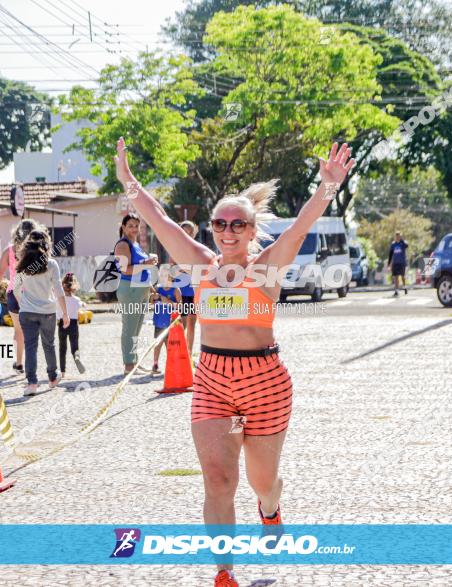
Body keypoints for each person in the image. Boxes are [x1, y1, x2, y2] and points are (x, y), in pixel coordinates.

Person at [114, 137, 355, 587]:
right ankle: (224, 571)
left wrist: (326, 188)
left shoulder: (267, 266)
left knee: (262, 481)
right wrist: (128, 182)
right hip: (212, 381)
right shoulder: (200, 265)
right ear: (210, 228)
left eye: (237, 224)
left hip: (265, 381)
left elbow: (300, 228)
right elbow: (159, 218)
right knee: (219, 479)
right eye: (219, 223)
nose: (227, 231)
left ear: (250, 229)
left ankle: (270, 509)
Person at [13, 230, 69, 396]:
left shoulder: (22, 265)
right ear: (47, 244)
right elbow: (59, 290)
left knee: (30, 347)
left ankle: (32, 384)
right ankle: (53, 377)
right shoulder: (51, 264)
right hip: (48, 312)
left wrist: (22, 302)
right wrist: (65, 313)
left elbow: (15, 288)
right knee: (49, 344)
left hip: (27, 312)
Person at [0, 219, 42, 375]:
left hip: (14, 293)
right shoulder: (38, 251)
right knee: (33, 331)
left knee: (18, 331)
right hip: (33, 294)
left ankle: (19, 363)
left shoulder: (10, 251)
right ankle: (31, 364)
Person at [114, 214, 158, 374]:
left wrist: (151, 289)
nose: (134, 229)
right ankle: (128, 365)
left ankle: (133, 362)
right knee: (129, 328)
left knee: (137, 329)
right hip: (129, 289)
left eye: (136, 226)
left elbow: (142, 268)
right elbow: (125, 269)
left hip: (141, 289)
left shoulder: (136, 243)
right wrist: (145, 263)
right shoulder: (122, 245)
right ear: (124, 227)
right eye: (130, 225)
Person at [150, 267, 182, 375]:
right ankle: (155, 364)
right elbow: (152, 303)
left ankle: (172, 365)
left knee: (170, 345)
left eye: (166, 276)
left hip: (171, 322)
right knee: (157, 343)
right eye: (161, 276)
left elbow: (179, 306)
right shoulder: (158, 289)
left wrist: (165, 299)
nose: (163, 278)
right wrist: (154, 297)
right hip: (159, 320)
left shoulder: (176, 290)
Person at [176, 221, 199, 359]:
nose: (187, 233)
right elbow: (174, 269)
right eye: (184, 231)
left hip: (195, 291)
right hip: (181, 291)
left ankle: (188, 356)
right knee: (181, 325)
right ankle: (178, 355)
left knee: (192, 324)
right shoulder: (176, 248)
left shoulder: (197, 248)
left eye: (189, 231)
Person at [57, 272, 86, 378]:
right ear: (74, 286)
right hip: (73, 324)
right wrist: (83, 304)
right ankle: (76, 356)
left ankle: (62, 372)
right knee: (75, 346)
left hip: (62, 324)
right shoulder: (77, 300)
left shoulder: (59, 300)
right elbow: (84, 306)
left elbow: (56, 313)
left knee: (62, 348)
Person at [388, 231, 409, 296]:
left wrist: (402, 240)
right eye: (396, 236)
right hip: (395, 263)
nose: (397, 237)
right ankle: (396, 291)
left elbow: (407, 245)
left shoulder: (402, 243)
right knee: (396, 277)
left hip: (402, 263)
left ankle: (404, 287)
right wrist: (389, 263)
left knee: (402, 276)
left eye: (399, 236)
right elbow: (391, 254)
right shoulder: (393, 244)